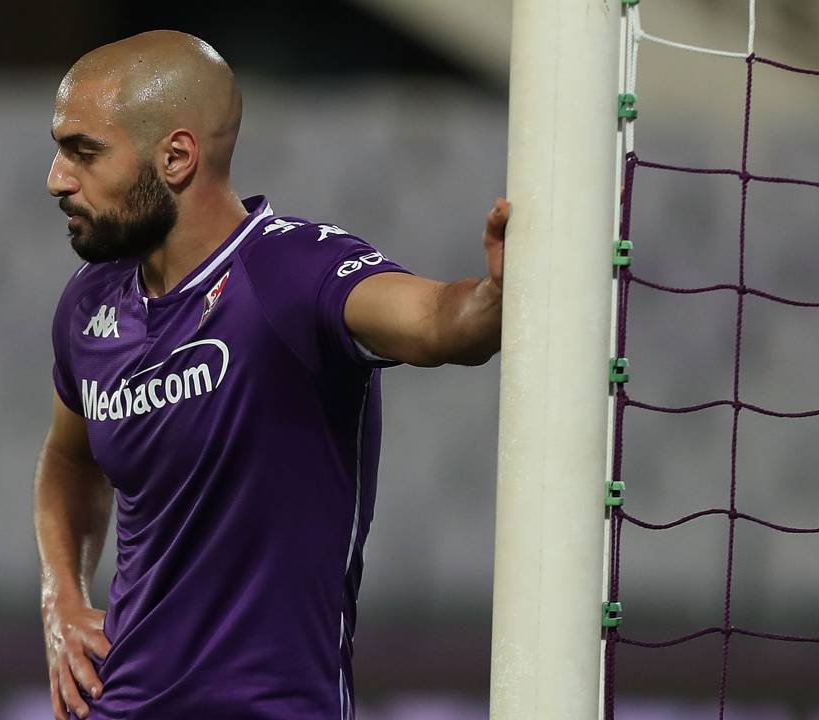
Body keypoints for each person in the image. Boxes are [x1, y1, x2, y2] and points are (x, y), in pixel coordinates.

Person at [34, 29, 509, 720]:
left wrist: (496, 296)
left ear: (176, 157)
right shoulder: (89, 304)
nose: (57, 177)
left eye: (84, 152)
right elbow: (68, 459)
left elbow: (440, 323)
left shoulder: (290, 272)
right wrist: (63, 596)